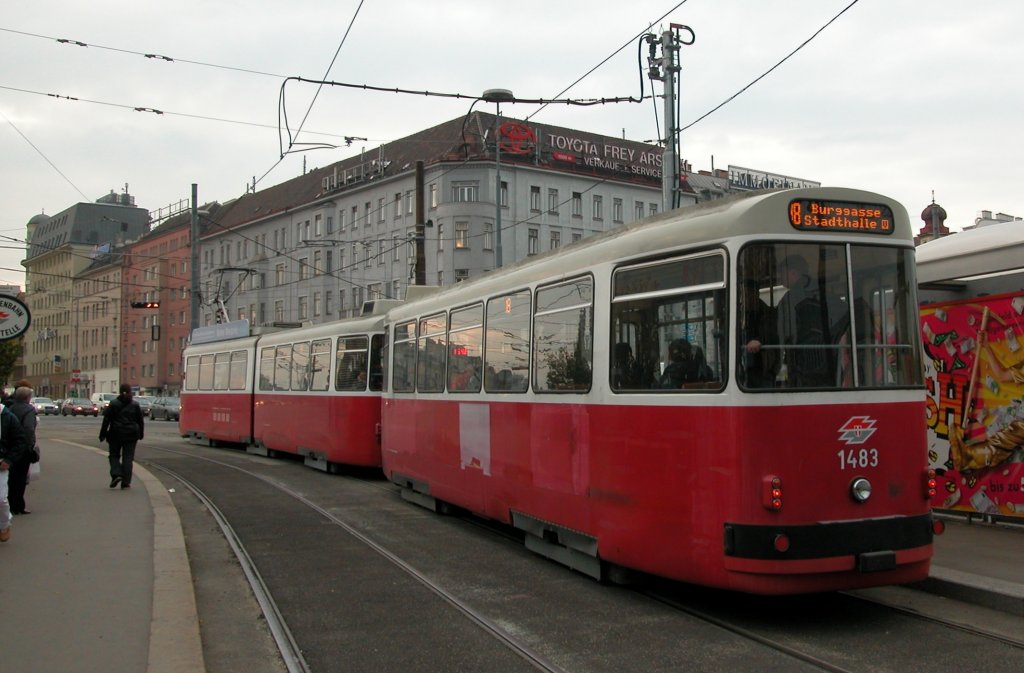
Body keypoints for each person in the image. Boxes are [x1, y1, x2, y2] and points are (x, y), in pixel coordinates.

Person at [99, 383, 145, 489]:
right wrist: (141, 433)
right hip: (131, 434)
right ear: (130, 392)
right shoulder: (135, 405)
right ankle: (126, 482)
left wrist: (102, 434)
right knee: (128, 458)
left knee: (114, 455)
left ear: (119, 392)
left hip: (115, 434)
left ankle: (116, 474)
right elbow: (140, 421)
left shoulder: (113, 404)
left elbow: (106, 420)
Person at [0, 397, 30, 541]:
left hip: (1, 464)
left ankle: (4, 525)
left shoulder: (6, 416)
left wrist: (9, 459)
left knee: (1, 499)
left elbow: (20, 440)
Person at [7, 386, 39, 515]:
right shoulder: (29, 410)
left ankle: (10, 503)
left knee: (11, 477)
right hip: (23, 448)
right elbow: (29, 429)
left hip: (10, 446)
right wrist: (29, 445)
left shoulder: (10, 408)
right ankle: (18, 505)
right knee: (21, 478)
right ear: (27, 397)